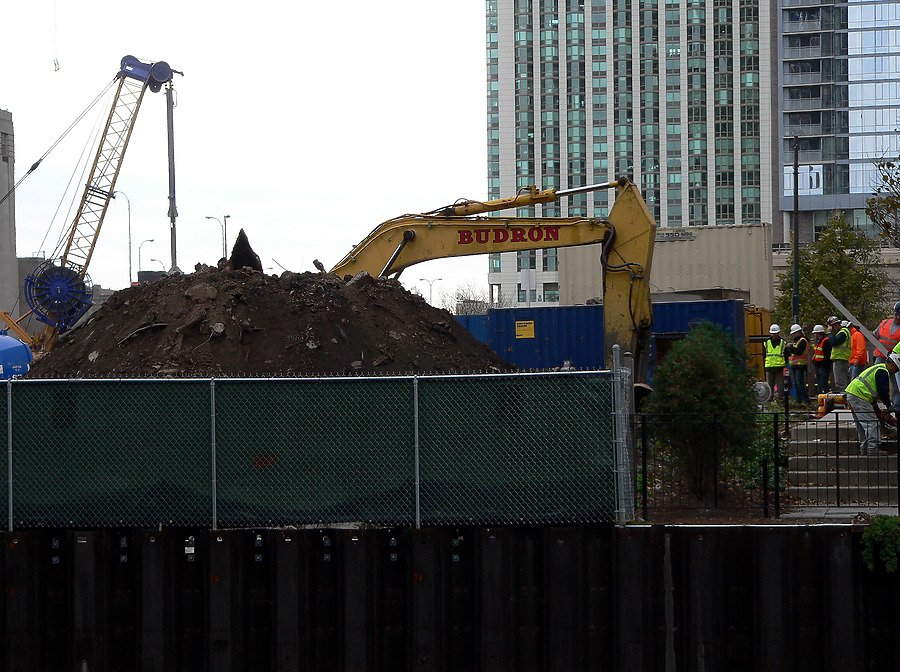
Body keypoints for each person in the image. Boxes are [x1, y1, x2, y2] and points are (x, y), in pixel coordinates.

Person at [844, 354, 900, 455]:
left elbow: (871, 390)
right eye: (896, 370)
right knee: (872, 423)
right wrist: (889, 406)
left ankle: (865, 448)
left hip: (853, 393)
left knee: (861, 424)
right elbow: (883, 391)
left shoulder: (877, 368)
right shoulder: (883, 372)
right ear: (892, 365)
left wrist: (876, 408)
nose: (894, 373)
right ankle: (873, 448)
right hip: (859, 395)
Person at [875, 302, 900, 412]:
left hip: (895, 360)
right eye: (896, 314)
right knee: (876, 381)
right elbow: (875, 335)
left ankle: (896, 407)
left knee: (896, 386)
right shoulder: (884, 323)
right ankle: (874, 406)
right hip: (880, 357)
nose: (898, 317)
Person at [785, 323, 810, 405]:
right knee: (796, 384)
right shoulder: (797, 341)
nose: (793, 335)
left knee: (800, 384)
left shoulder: (802, 341)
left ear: (798, 332)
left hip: (800, 365)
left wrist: (790, 348)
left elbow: (798, 352)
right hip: (795, 366)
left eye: (794, 333)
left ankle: (806, 400)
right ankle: (799, 400)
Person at [827, 315, 851, 392]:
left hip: (841, 360)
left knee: (840, 383)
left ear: (835, 325)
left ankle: (843, 400)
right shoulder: (841, 332)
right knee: (841, 381)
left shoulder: (843, 332)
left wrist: (829, 333)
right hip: (841, 360)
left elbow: (833, 342)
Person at [764, 323, 787, 400]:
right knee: (770, 384)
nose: (774, 335)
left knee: (780, 384)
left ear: (778, 333)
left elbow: (786, 355)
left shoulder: (783, 343)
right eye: (772, 334)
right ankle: (769, 398)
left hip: (779, 367)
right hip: (769, 367)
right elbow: (764, 354)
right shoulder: (766, 343)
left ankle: (780, 397)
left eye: (775, 333)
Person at [811, 324, 832, 395]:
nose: (814, 335)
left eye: (815, 334)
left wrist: (822, 363)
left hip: (823, 366)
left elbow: (827, 355)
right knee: (820, 383)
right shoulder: (819, 342)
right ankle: (821, 397)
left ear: (818, 333)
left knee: (823, 383)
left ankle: (826, 398)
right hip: (819, 365)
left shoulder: (826, 341)